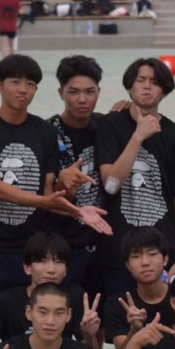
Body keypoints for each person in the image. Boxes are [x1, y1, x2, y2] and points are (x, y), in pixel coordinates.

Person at [0, 53, 107, 332]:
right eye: (15, 82)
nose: (23, 90)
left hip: (31, 252)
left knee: (30, 329)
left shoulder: (44, 131)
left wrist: (74, 204)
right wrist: (48, 201)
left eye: (30, 84)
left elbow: (50, 193)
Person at [94, 57, 175, 294]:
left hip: (161, 250)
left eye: (155, 82)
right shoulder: (110, 125)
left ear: (164, 91)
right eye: (141, 80)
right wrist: (138, 136)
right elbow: (111, 185)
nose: (147, 86)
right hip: (118, 249)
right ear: (130, 86)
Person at [44, 55, 108, 291]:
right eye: (73, 92)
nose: (82, 99)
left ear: (99, 92)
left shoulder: (107, 126)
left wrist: (127, 106)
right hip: (64, 247)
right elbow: (45, 197)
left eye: (90, 92)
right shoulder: (46, 133)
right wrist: (66, 186)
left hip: (105, 242)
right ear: (60, 92)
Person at [99, 226, 175, 349]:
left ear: (165, 259)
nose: (145, 262)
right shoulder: (117, 304)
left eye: (152, 254)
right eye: (136, 256)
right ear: (128, 265)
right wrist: (135, 329)